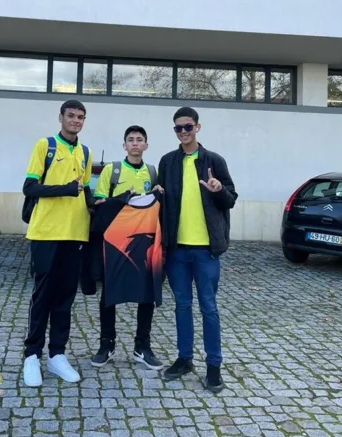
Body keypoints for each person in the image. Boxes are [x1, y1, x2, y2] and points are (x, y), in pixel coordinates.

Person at [157, 107, 237, 392]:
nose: (183, 132)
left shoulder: (214, 160)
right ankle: (184, 358)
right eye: (178, 128)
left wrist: (217, 188)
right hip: (177, 250)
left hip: (206, 250)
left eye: (187, 127)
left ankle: (214, 366)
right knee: (181, 306)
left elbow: (230, 200)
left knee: (209, 307)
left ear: (197, 128)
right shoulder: (167, 162)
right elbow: (161, 201)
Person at [21, 100, 93, 387]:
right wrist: (65, 189)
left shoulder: (85, 152)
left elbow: (85, 191)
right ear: (61, 117)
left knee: (65, 298)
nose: (76, 121)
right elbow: (29, 187)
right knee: (43, 295)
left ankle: (57, 355)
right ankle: (32, 356)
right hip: (46, 233)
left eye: (81, 117)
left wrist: (104, 206)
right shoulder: (45, 145)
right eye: (72, 116)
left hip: (75, 234)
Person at [90, 125, 163, 370]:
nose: (134, 143)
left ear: (145, 145)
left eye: (139, 140)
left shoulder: (153, 173)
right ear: (124, 145)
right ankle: (106, 344)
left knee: (147, 294)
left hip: (144, 241)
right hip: (114, 241)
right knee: (109, 293)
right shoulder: (112, 170)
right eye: (130, 140)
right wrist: (122, 197)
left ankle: (142, 346)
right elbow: (99, 202)